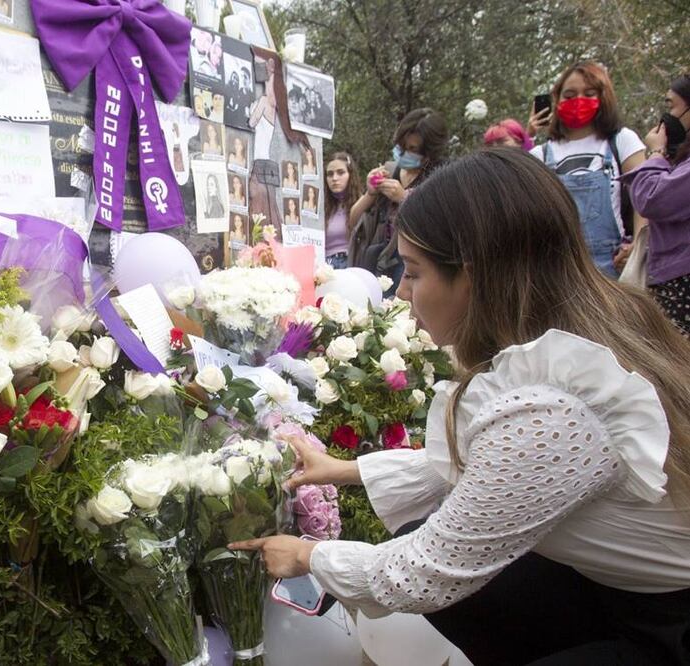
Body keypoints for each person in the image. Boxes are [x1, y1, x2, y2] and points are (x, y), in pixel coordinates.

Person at [232, 148, 690, 666]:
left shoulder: (557, 409)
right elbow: (495, 472)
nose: (402, 294)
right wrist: (343, 469)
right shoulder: (586, 332)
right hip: (621, 590)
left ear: (471, 275)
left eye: (412, 272)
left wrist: (308, 555)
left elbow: (425, 571)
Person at [528, 61, 646, 277]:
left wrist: (637, 248)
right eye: (569, 95)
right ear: (557, 100)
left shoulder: (623, 141)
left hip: (615, 266)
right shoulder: (539, 155)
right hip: (560, 270)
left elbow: (645, 199)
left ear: (603, 97)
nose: (578, 100)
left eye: (589, 93)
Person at [349, 107, 448, 294]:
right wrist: (370, 193)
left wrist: (404, 198)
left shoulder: (440, 179)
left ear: (429, 152)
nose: (403, 154)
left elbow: (442, 227)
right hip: (380, 262)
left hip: (413, 267)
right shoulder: (389, 170)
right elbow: (353, 221)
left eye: (412, 149)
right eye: (401, 147)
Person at [622, 73, 690, 335]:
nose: (667, 117)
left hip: (681, 280)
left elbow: (653, 199)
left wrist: (656, 152)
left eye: (671, 106)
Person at [248, 56, 283, 234]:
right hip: (266, 162)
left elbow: (252, 122)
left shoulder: (264, 101)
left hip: (260, 161)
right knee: (269, 209)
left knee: (259, 208)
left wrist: (252, 107)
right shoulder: (272, 106)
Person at [324, 151, 362, 268]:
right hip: (324, 267)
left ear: (350, 175)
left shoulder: (362, 203)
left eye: (340, 173)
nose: (334, 178)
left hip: (351, 264)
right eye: (330, 174)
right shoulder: (322, 206)